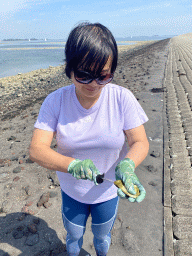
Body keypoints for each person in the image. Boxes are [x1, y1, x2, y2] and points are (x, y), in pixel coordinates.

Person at [29, 22, 149, 256]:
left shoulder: (122, 98)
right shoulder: (55, 101)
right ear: (69, 69)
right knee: (73, 236)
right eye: (84, 75)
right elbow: (36, 149)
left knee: (102, 236)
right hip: (72, 191)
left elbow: (140, 142)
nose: (94, 84)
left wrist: (128, 164)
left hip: (108, 191)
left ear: (111, 70)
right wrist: (71, 165)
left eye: (103, 76)